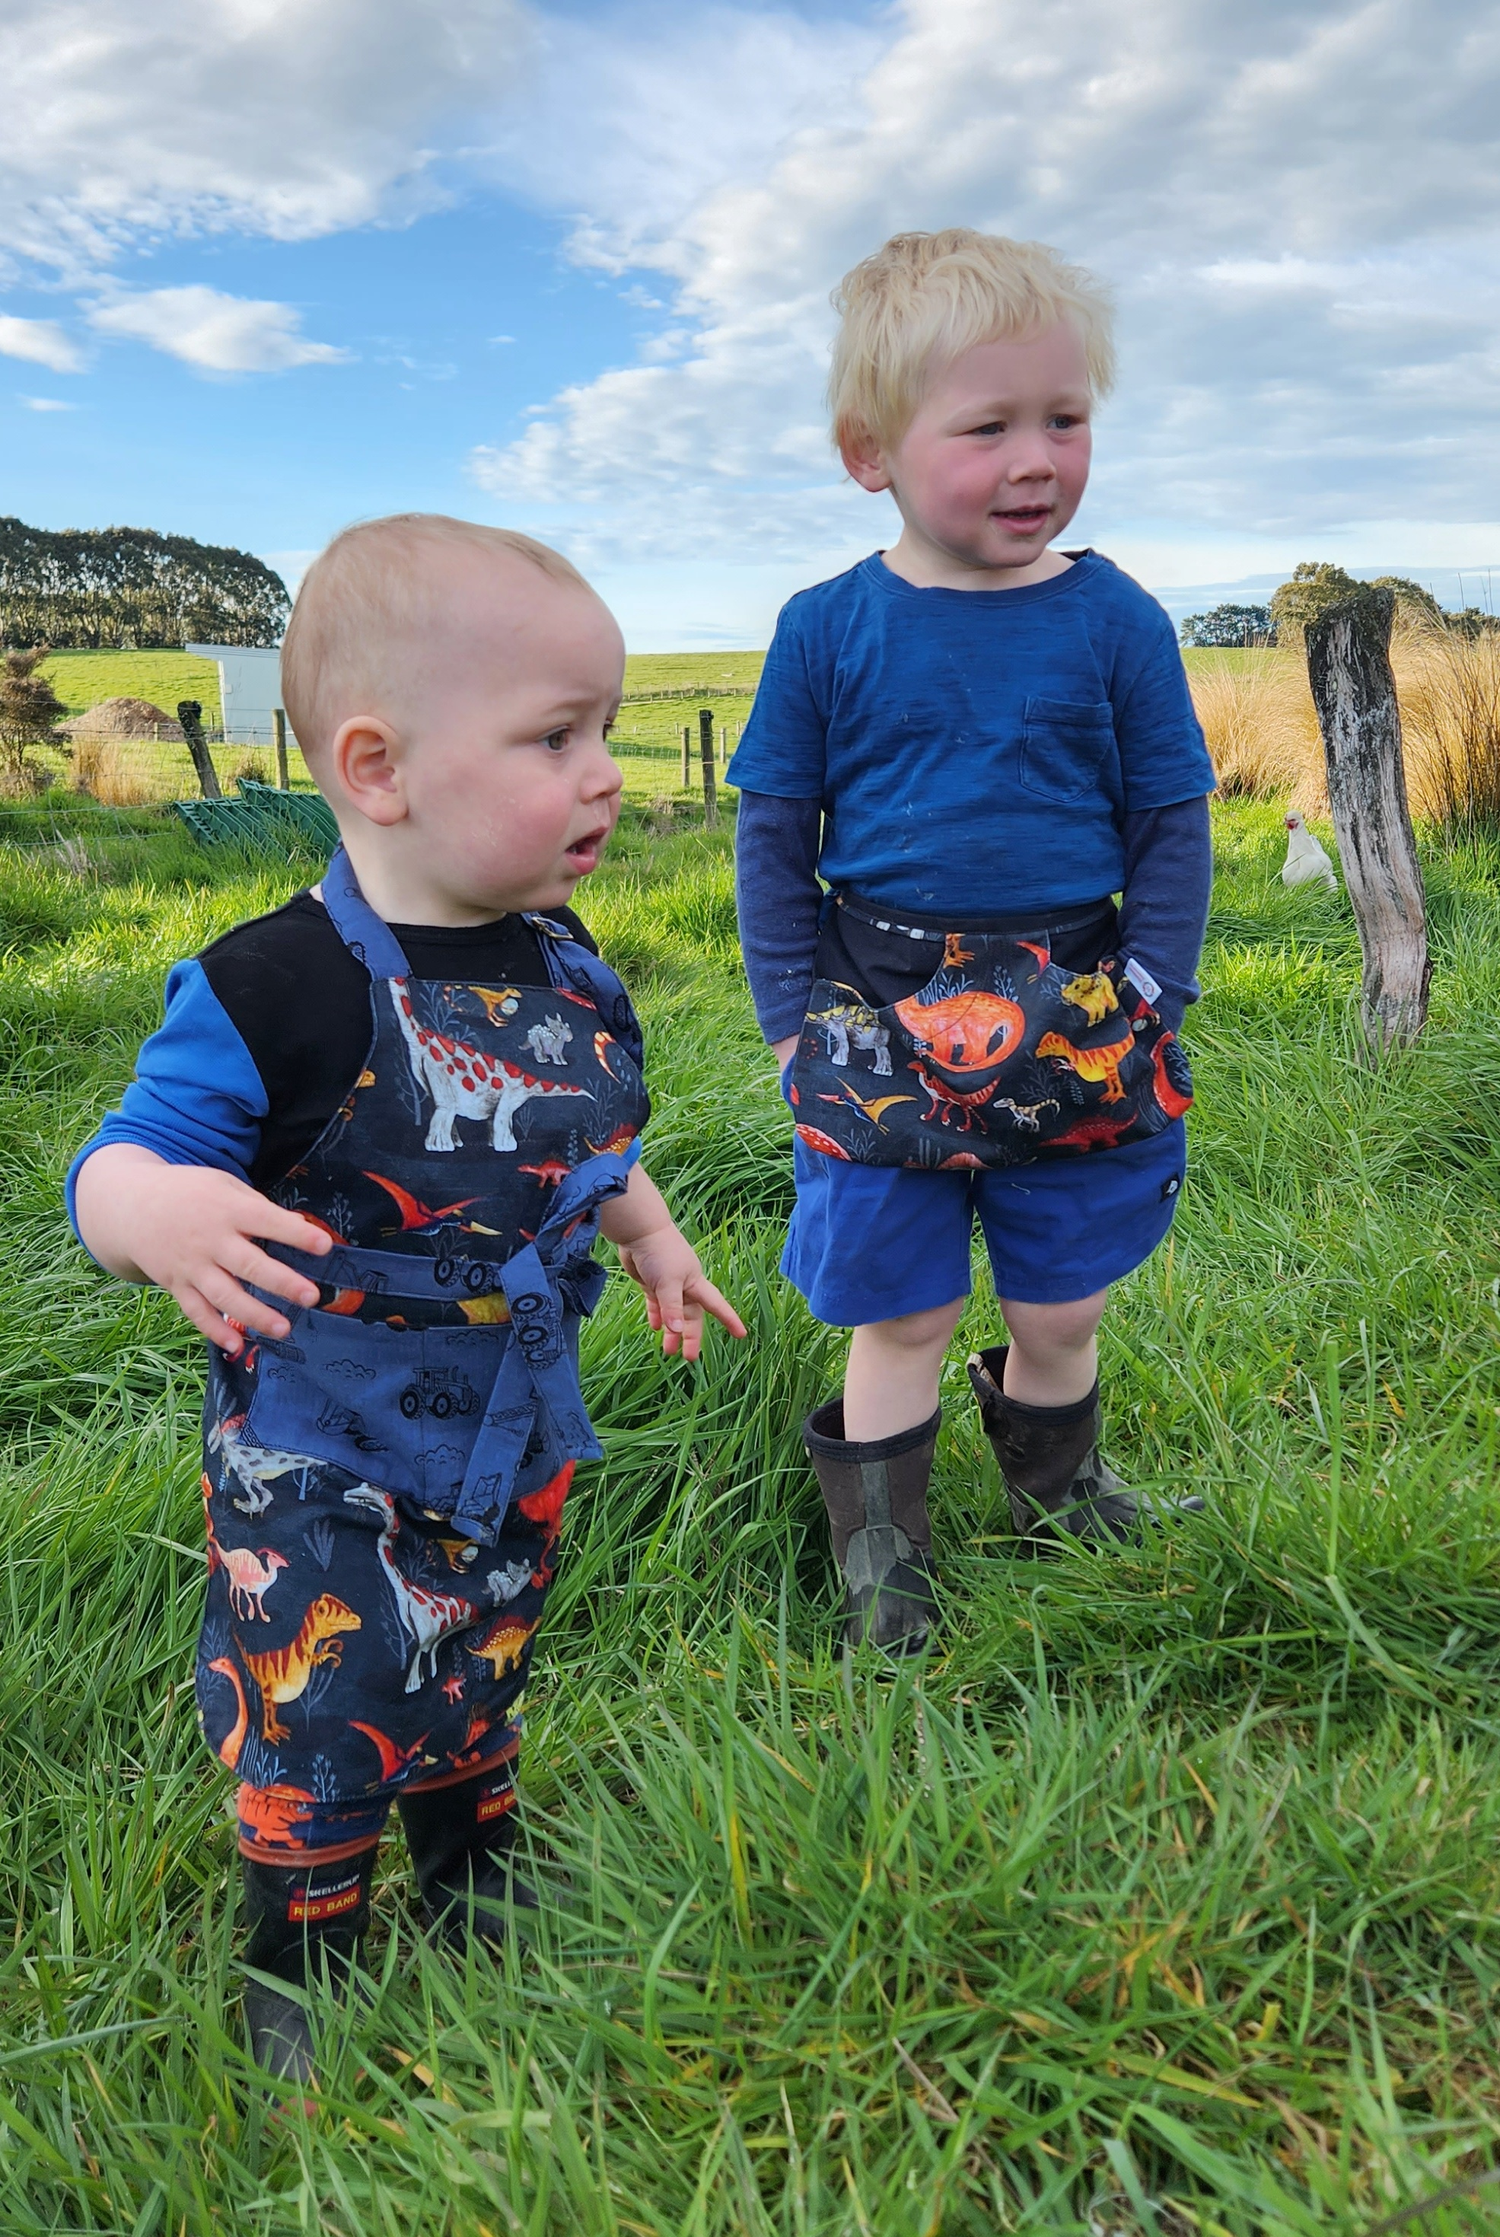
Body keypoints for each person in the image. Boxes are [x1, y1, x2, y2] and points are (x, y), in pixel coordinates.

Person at [68, 515, 745, 2079]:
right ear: (380, 769)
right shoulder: (276, 985)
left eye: (611, 733)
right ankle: (300, 1940)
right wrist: (153, 1213)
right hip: (322, 1437)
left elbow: (579, 1143)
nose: (606, 774)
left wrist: (647, 1234)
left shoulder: (565, 966)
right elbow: (115, 1165)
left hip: (511, 1425)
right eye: (558, 738)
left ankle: (470, 1864)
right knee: (327, 1678)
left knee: (484, 1640)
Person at [729, 229, 1215, 1655]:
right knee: (903, 1312)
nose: (1036, 459)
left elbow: (1172, 823)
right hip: (877, 1014)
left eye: (1065, 420)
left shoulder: (1116, 619)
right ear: (868, 449)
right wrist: (786, 1018)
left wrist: (1151, 989)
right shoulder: (825, 632)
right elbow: (772, 834)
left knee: (1062, 1303)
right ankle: (886, 1556)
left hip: (1080, 1008)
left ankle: (1062, 1498)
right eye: (988, 425)